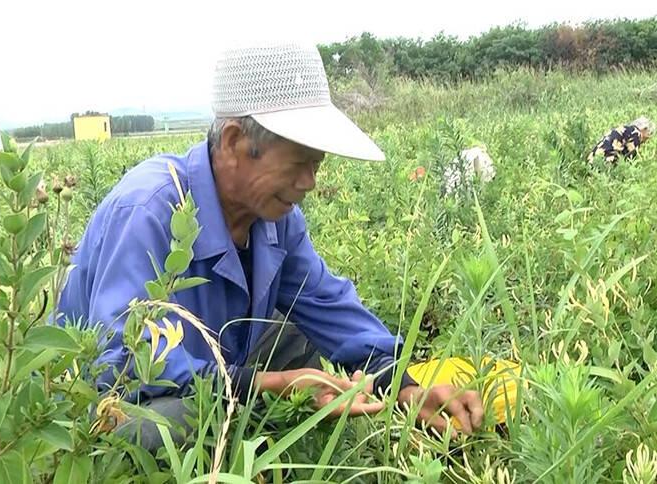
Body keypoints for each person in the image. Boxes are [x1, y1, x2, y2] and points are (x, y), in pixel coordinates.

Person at [57, 42, 483, 449]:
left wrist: (403, 385)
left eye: (316, 165)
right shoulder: (150, 209)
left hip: (221, 369)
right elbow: (120, 361)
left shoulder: (276, 219)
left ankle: (259, 418)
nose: (310, 183)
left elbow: (327, 304)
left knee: (298, 332)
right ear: (233, 142)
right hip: (106, 403)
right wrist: (266, 385)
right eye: (298, 163)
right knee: (169, 426)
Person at [587, 116, 656, 165]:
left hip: (593, 157)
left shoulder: (625, 129)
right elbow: (630, 156)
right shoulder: (636, 134)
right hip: (606, 158)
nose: (647, 139)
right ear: (644, 129)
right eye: (648, 134)